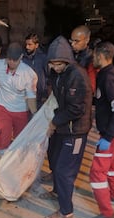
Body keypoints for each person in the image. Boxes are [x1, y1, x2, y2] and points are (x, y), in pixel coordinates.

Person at [42, 36, 93, 218]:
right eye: (52, 64)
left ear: (67, 60)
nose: (55, 67)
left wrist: (54, 122)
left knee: (64, 171)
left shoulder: (77, 75)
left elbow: (76, 108)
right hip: (63, 126)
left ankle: (66, 211)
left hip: (76, 130)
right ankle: (57, 191)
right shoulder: (56, 74)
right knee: (54, 160)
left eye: (58, 64)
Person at [41, 25, 97, 184]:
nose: (73, 44)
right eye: (71, 41)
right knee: (54, 152)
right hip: (64, 114)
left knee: (65, 167)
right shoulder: (65, 57)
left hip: (75, 120)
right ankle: (56, 177)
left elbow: (85, 95)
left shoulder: (88, 62)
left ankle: (63, 200)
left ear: (87, 39)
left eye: (76, 41)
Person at [87, 41, 114, 218]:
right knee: (112, 166)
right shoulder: (113, 73)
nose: (92, 58)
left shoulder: (107, 78)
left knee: (97, 173)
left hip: (113, 133)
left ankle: (107, 213)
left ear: (101, 55)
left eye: (94, 55)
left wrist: (107, 137)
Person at [0, 42, 38, 154]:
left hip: (20, 111)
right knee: (2, 138)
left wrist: (34, 113)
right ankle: (2, 159)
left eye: (15, 60)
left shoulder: (29, 74)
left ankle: (15, 163)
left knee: (19, 140)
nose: (11, 63)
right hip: (2, 107)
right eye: (9, 59)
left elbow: (31, 97)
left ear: (21, 57)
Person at [22, 33, 49, 109]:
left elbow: (48, 76)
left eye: (30, 44)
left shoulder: (43, 58)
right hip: (24, 95)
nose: (27, 47)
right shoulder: (22, 57)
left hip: (39, 96)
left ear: (36, 45)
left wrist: (45, 94)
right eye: (26, 44)